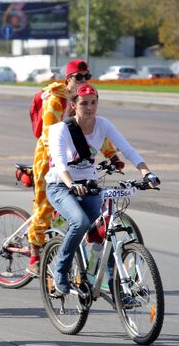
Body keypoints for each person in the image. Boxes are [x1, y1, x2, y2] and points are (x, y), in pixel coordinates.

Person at [45, 84, 159, 295]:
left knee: (105, 230)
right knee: (80, 222)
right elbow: (60, 163)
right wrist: (72, 184)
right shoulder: (60, 130)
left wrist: (146, 173)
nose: (90, 108)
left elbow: (127, 149)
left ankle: (118, 290)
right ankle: (60, 271)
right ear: (73, 105)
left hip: (89, 185)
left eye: (94, 102)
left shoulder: (103, 124)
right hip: (61, 185)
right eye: (84, 103)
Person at [26, 59, 121, 275]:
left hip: (78, 159)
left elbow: (92, 131)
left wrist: (112, 155)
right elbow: (51, 135)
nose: (83, 81)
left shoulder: (83, 101)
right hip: (49, 158)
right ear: (68, 79)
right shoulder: (55, 100)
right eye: (78, 77)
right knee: (44, 205)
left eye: (87, 77)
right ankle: (34, 254)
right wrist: (64, 161)